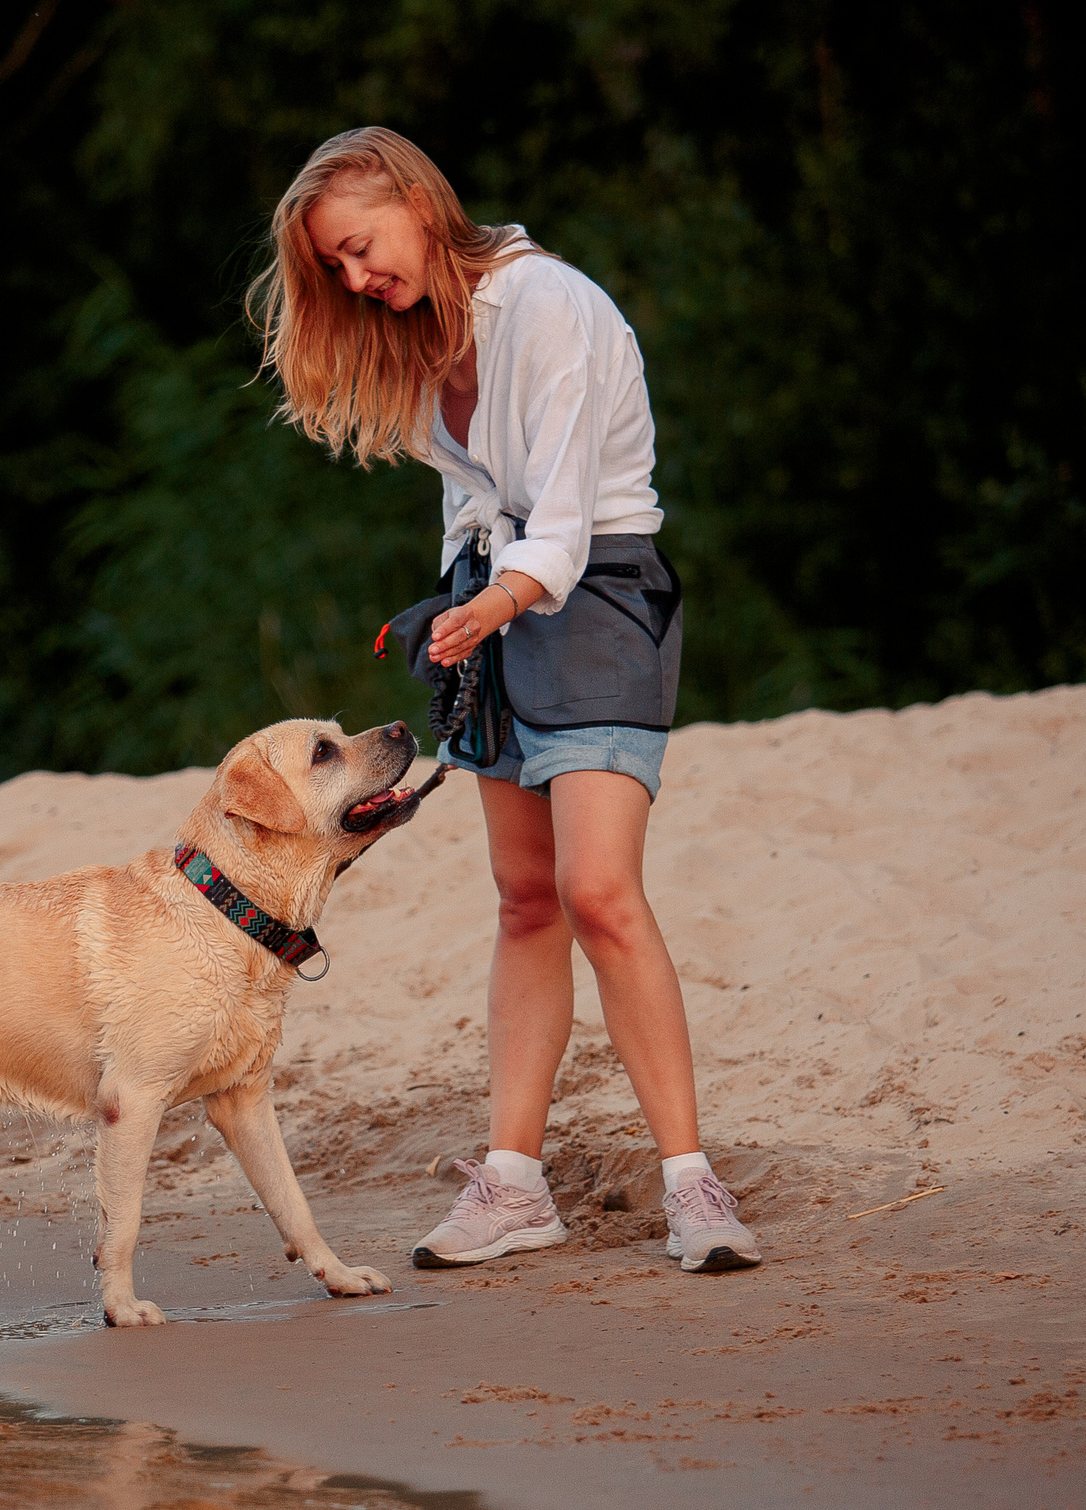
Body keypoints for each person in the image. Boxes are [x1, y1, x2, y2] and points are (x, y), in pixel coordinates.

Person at [247, 126, 760, 1276]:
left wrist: (499, 602)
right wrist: (455, 610)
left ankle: (693, 1185)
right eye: (334, 267)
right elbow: (473, 504)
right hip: (488, 600)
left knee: (597, 891)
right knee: (524, 898)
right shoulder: (433, 337)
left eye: (360, 247)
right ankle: (514, 1184)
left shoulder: (551, 306)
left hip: (593, 597)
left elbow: (568, 517)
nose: (354, 279)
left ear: (419, 202)